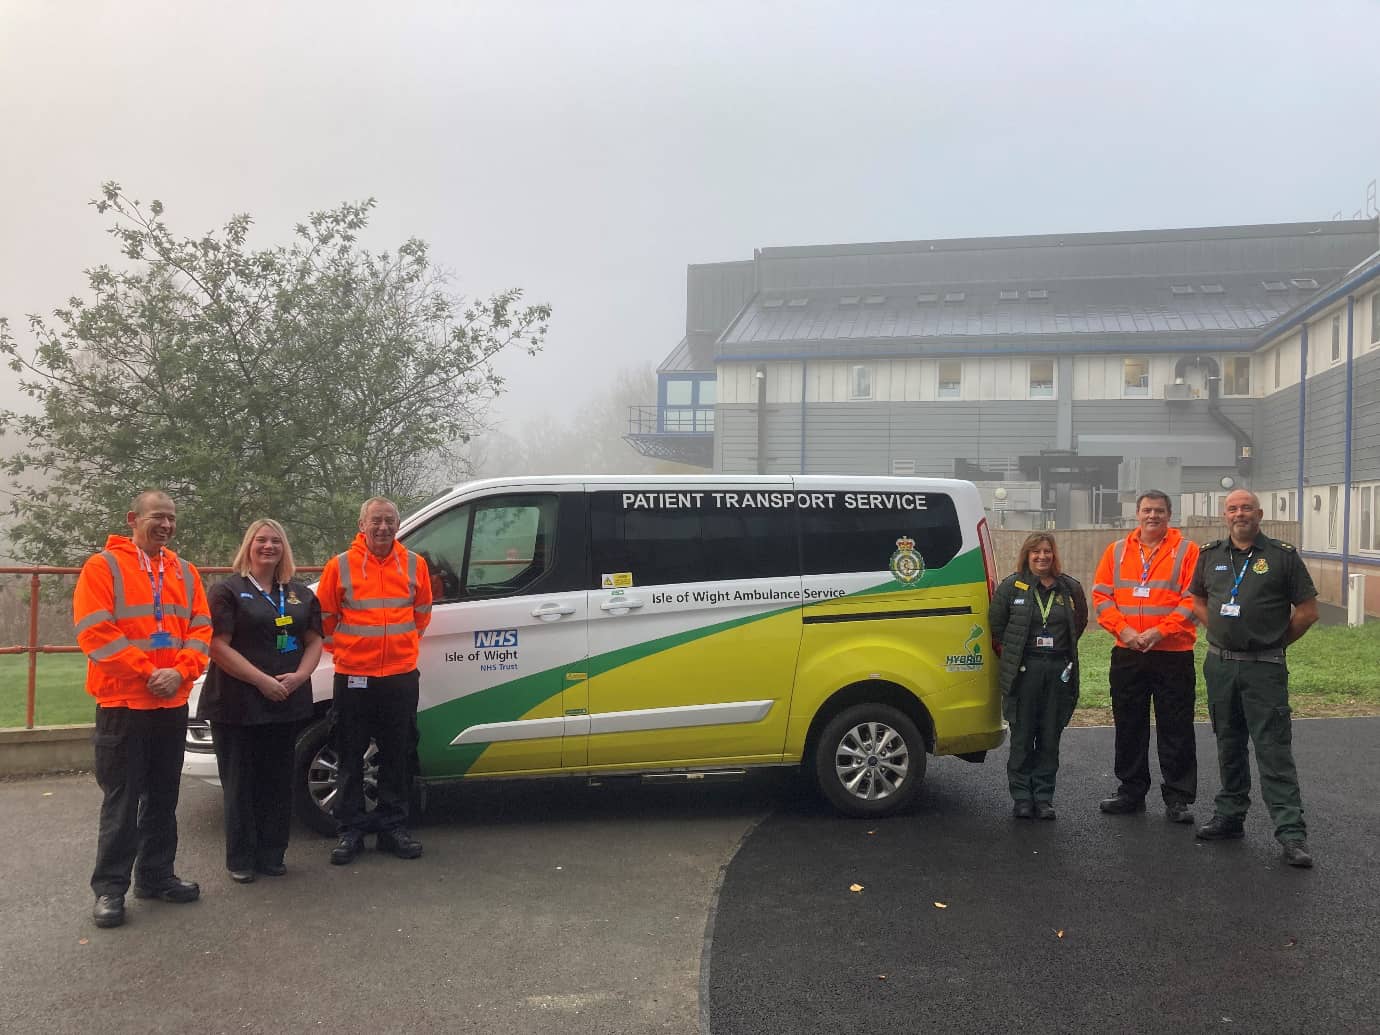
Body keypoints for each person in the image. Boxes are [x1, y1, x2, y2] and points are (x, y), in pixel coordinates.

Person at [73, 490, 212, 928]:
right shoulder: (103, 567)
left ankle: (156, 876)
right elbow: (95, 633)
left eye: (171, 518)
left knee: (163, 797)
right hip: (123, 703)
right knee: (122, 799)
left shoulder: (185, 572)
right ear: (133, 518)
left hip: (170, 701)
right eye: (157, 517)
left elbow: (201, 629)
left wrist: (182, 671)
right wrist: (149, 670)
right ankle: (110, 890)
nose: (166, 525)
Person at [1190, 489, 1319, 868]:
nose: (1240, 514)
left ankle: (1291, 834)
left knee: (1273, 749)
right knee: (1228, 743)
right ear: (1224, 515)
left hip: (1264, 667)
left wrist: (1277, 641)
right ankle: (1230, 816)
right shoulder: (1210, 555)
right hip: (1221, 666)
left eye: (1246, 508)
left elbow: (1308, 611)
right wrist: (1218, 627)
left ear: (1259, 514)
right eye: (1233, 509)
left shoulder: (1282, 556)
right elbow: (1195, 599)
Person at [198, 519, 324, 883]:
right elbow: (217, 645)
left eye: (276, 541)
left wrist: (301, 676)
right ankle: (241, 857)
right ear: (248, 546)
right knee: (241, 783)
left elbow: (314, 640)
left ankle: (273, 853)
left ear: (285, 548)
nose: (268, 547)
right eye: (261, 540)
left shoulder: (300, 594)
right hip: (237, 704)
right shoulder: (227, 591)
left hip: (286, 702)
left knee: (278, 781)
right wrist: (261, 681)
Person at [316, 496, 433, 865]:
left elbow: (422, 614)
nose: (383, 527)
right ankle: (350, 831)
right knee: (349, 754)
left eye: (389, 521)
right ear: (362, 524)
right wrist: (352, 652)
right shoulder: (340, 566)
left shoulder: (415, 564)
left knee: (397, 754)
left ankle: (391, 829)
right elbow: (325, 619)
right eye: (376, 521)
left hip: (399, 676)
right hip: (354, 676)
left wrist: (398, 648)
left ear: (397, 525)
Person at [1091, 490, 1201, 823]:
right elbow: (1101, 595)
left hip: (1172, 652)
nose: (1152, 516)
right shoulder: (1117, 551)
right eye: (1147, 510)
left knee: (1176, 727)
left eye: (1159, 511)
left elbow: (1193, 599)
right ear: (1136, 514)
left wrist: (1159, 632)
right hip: (1128, 652)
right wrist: (1124, 632)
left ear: (1170, 515)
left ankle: (1178, 797)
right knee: (1129, 724)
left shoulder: (1188, 551)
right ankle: (1130, 791)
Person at [990, 532, 1089, 820]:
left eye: (1047, 551)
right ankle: (1022, 797)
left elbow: (1080, 622)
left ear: (1054, 555)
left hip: (1058, 672)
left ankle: (1044, 797)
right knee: (1022, 737)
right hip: (1024, 672)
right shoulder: (1012, 587)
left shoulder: (1069, 588)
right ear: (1027, 555)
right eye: (1036, 552)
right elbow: (997, 625)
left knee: (1049, 738)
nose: (1042, 556)